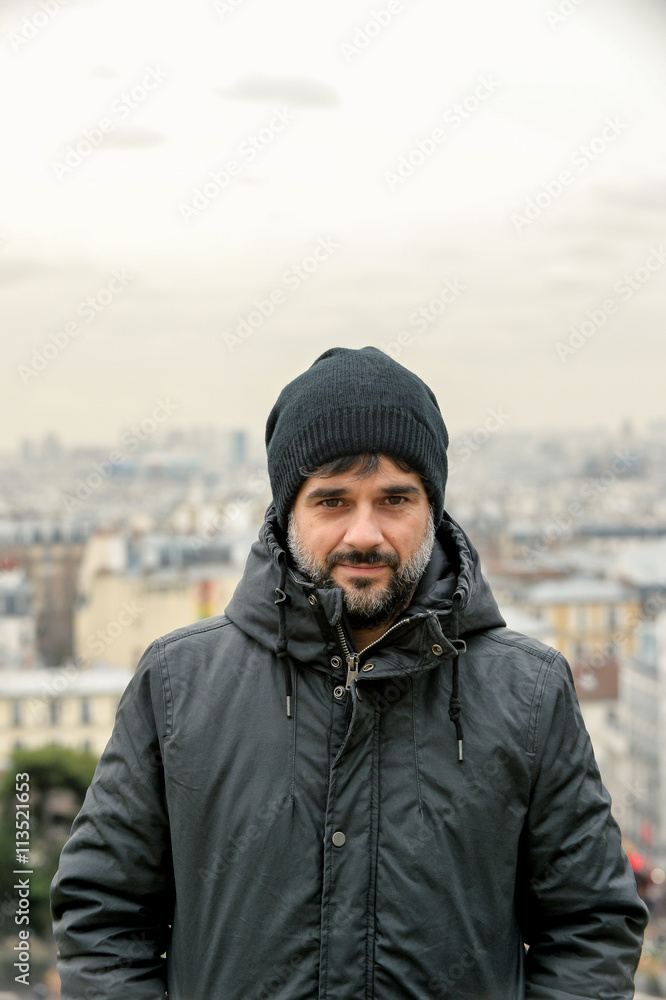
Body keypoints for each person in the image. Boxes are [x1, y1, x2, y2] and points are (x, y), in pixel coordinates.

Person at [51, 346, 648, 999]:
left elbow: (591, 926)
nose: (365, 533)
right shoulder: (176, 684)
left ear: (434, 509)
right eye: (332, 501)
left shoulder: (529, 691)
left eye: (395, 498)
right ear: (287, 513)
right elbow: (103, 916)